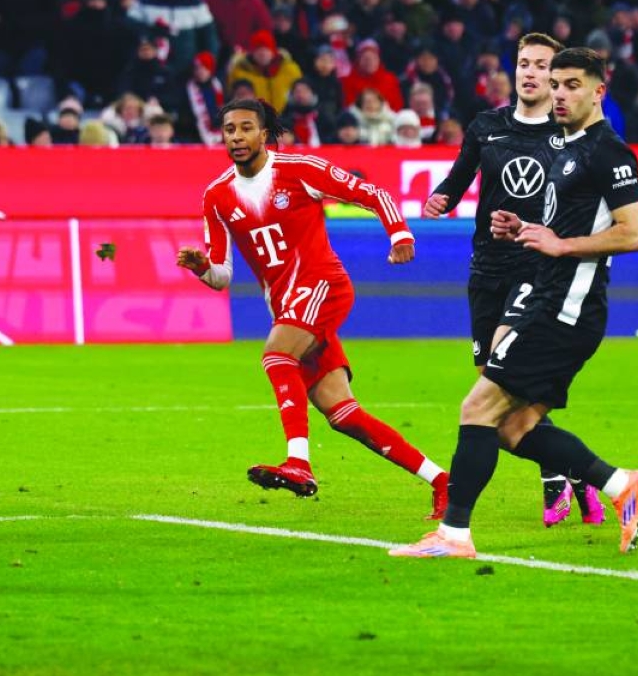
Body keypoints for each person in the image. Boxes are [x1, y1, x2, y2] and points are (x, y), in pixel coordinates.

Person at [392, 47, 638, 559]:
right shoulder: (564, 147)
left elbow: (636, 233)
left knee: (478, 407)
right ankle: (623, 485)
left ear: (599, 91)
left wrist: (561, 245)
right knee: (513, 428)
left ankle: (454, 536)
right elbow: (571, 224)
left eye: (572, 84)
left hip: (567, 309)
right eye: (555, 83)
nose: (559, 93)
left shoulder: (609, 152)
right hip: (551, 300)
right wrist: (526, 232)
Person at [176, 98, 448, 517]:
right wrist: (201, 268)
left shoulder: (299, 170)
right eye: (229, 129)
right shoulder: (216, 195)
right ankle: (441, 480)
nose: (237, 137)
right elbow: (221, 277)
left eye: (246, 128)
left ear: (264, 134)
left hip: (324, 285)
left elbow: (371, 192)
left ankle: (299, 464)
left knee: (276, 354)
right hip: (288, 306)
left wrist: (400, 236)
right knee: (343, 413)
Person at [423, 33, 607, 529]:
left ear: (555, 77)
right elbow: (458, 180)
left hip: (536, 272)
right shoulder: (487, 127)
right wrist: (440, 199)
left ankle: (548, 487)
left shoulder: (568, 136)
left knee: (499, 387)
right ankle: (578, 474)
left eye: (540, 66)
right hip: (487, 269)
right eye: (523, 63)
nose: (529, 73)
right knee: (495, 381)